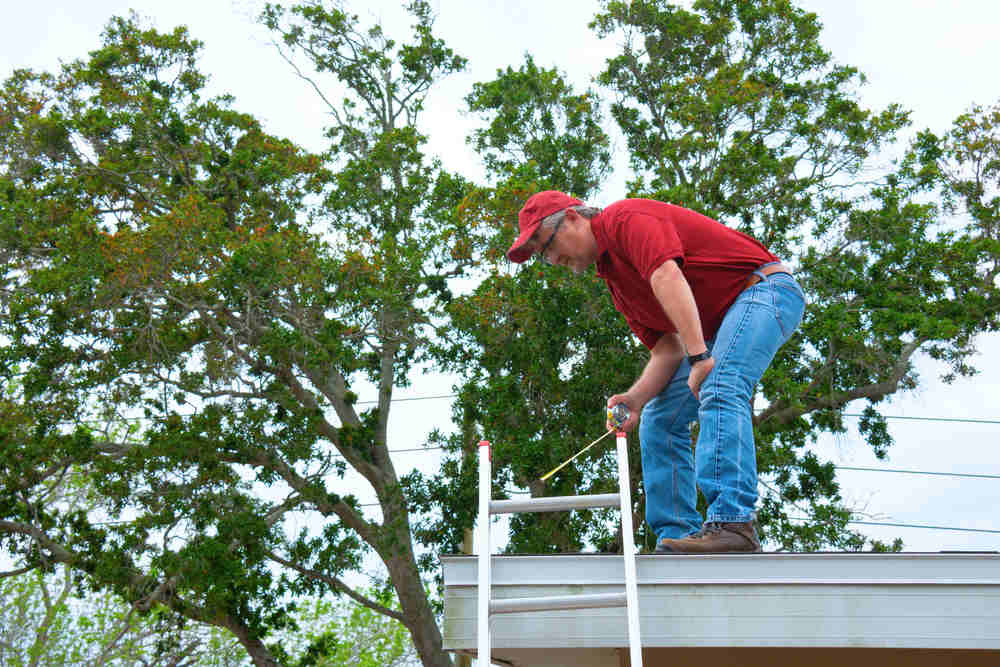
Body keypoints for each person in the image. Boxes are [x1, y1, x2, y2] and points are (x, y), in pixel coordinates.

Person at [506, 191, 806, 553]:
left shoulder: (623, 220)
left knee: (720, 384)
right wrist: (634, 399)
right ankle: (676, 534)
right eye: (542, 256)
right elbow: (666, 350)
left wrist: (700, 358)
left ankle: (733, 524)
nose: (551, 259)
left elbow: (666, 274)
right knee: (659, 417)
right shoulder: (617, 283)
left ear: (572, 217)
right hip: (718, 327)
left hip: (765, 290)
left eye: (547, 244)